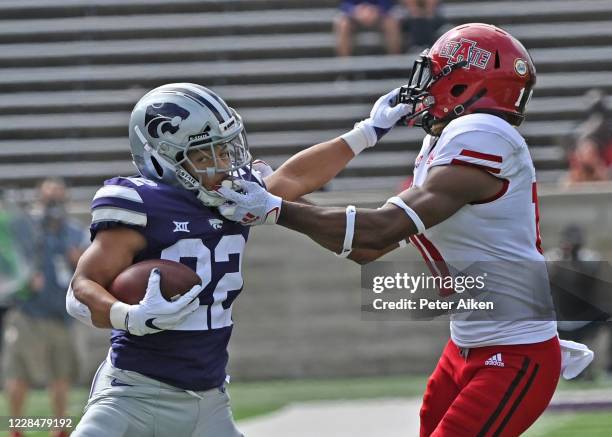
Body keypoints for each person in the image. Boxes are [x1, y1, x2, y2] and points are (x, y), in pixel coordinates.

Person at [216, 24, 591, 436]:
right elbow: (365, 249)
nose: (425, 88)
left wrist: (276, 210)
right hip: (467, 345)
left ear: (466, 82)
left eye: (436, 75)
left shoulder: (483, 135)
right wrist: (286, 200)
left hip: (515, 351)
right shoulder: (448, 143)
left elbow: (376, 232)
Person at [66, 83, 411, 436]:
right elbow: (83, 284)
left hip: (210, 401)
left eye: (225, 149)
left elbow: (294, 177)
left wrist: (368, 131)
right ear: (161, 159)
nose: (224, 163)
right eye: (204, 155)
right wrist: (130, 316)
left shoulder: (236, 192)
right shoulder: (138, 203)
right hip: (132, 396)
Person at [3, 178, 86, 437]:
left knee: (61, 373)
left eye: (59, 198)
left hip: (61, 314)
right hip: (27, 313)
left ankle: (59, 427)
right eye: (50, 198)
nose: (54, 203)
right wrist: (24, 282)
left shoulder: (75, 231)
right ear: (40, 199)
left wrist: (79, 262)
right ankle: (17, 428)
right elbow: (7, 265)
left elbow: (92, 271)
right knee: (19, 372)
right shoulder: (25, 228)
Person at [335, 0, 403, 56]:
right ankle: (345, 66)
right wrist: (354, 10)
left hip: (380, 14)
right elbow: (344, 3)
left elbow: (388, 3)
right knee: (343, 24)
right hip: (355, 15)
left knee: (391, 23)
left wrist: (377, 10)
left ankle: (394, 61)